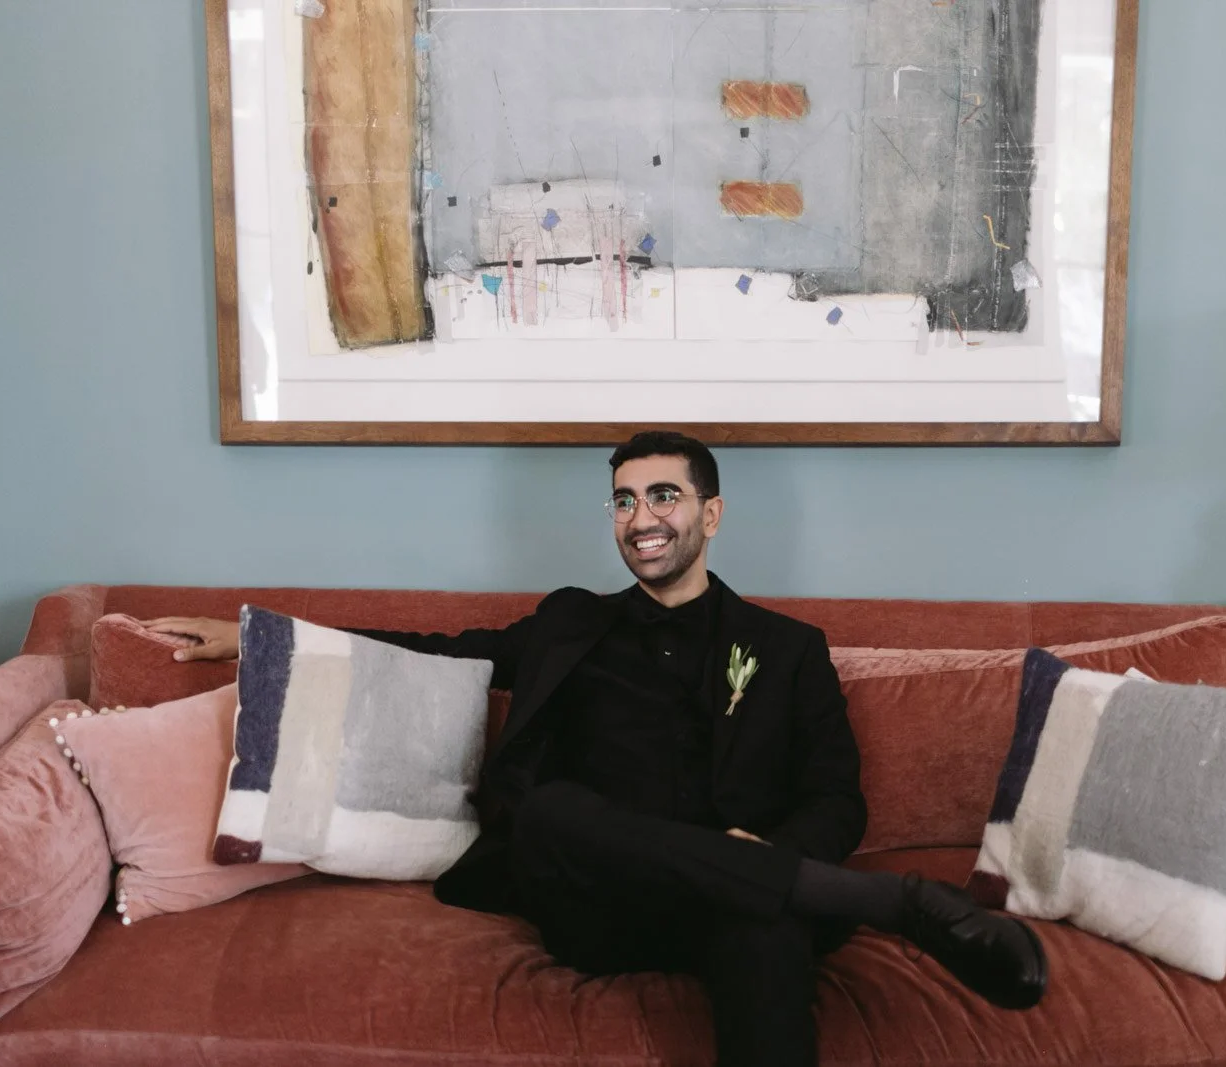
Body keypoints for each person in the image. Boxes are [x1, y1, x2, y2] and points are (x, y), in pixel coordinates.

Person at [145, 430, 1045, 1066]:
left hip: (733, 898)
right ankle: (896, 904)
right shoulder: (569, 622)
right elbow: (433, 652)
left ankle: (783, 885)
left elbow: (837, 795)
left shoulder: (787, 648)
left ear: (712, 514)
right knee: (550, 809)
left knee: (765, 927)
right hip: (595, 897)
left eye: (663, 495)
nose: (640, 516)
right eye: (623, 500)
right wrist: (259, 638)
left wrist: (771, 854)